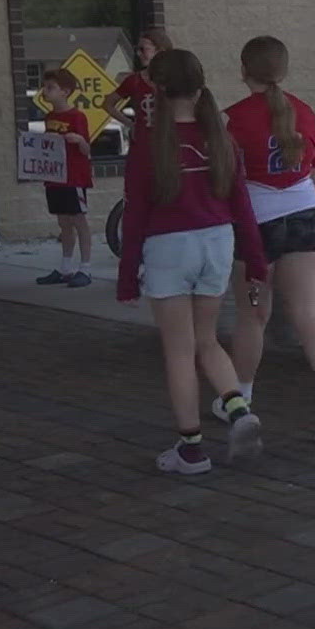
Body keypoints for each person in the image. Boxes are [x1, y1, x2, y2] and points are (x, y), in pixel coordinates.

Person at [117, 49, 268, 475]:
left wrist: (127, 278)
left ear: (158, 91)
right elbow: (243, 206)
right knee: (208, 340)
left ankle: (190, 450)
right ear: (201, 88)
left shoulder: (149, 144)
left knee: (179, 351)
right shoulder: (220, 138)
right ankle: (238, 409)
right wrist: (256, 261)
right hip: (217, 243)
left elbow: (136, 213)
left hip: (168, 247)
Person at [221, 36, 315, 444]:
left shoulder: (232, 119)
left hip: (256, 223)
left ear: (243, 70)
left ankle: (241, 399)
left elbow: (223, 181)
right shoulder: (305, 112)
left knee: (252, 316)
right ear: (285, 69)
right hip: (304, 214)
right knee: (308, 314)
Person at [36, 68, 95, 288]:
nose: (45, 91)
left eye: (51, 87)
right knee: (63, 222)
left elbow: (87, 148)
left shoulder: (77, 116)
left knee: (78, 220)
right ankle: (66, 267)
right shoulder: (49, 117)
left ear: (65, 91)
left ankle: (86, 268)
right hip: (55, 177)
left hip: (74, 177)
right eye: (45, 86)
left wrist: (78, 139)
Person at [105, 28, 174, 147]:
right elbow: (108, 104)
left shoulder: (175, 78)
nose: (139, 54)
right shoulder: (134, 80)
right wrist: (130, 123)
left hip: (169, 139)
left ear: (160, 51)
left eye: (143, 50)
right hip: (143, 142)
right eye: (137, 49)